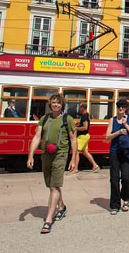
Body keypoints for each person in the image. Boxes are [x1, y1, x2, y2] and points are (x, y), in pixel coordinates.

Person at [26, 93, 78, 234]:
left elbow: (74, 139)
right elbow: (37, 136)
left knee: (54, 186)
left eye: (58, 103)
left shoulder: (68, 119)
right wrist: (30, 155)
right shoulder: (45, 118)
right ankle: (61, 207)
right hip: (46, 154)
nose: (55, 105)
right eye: (53, 102)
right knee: (51, 185)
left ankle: (49, 218)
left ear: (62, 105)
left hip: (60, 154)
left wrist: (73, 159)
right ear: (50, 104)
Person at [105, 99, 129, 215]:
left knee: (125, 177)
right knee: (114, 179)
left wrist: (125, 125)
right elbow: (107, 137)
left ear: (126, 108)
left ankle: (126, 198)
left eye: (123, 107)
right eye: (119, 106)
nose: (121, 108)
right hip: (114, 152)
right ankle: (114, 205)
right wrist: (117, 133)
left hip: (126, 151)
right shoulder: (112, 120)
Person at [70, 102, 99, 174]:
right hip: (85, 136)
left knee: (76, 151)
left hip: (83, 136)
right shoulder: (85, 115)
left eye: (80, 107)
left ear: (82, 108)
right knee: (85, 152)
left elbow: (85, 127)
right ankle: (95, 165)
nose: (79, 109)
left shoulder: (85, 116)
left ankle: (75, 169)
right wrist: (77, 123)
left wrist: (76, 128)